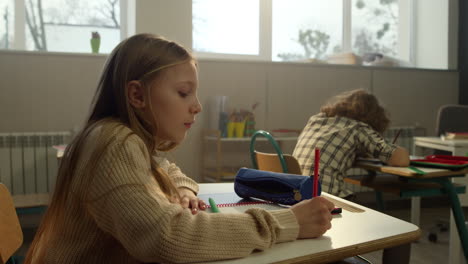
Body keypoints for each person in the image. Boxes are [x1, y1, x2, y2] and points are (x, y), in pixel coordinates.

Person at [24, 33, 334, 264]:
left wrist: (181, 190)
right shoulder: (114, 143)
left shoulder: (123, 138)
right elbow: (169, 238)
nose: (197, 107)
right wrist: (287, 222)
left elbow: (166, 169)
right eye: (184, 93)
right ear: (137, 95)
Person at [293, 89, 410, 198]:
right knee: (367, 213)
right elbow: (401, 160)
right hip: (325, 199)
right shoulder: (357, 127)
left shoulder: (315, 120)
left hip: (295, 195)